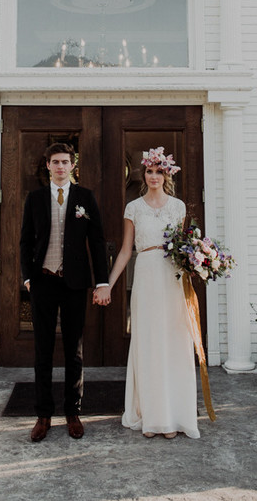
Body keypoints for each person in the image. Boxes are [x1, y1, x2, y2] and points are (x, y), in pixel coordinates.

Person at [94, 146, 199, 439]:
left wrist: (198, 264)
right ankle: (151, 416)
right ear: (144, 175)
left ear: (166, 175)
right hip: (146, 274)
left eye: (159, 172)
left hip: (172, 277)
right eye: (150, 171)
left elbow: (184, 246)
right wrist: (108, 283)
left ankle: (173, 416)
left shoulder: (178, 207)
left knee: (174, 341)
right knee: (149, 341)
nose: (154, 176)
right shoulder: (134, 208)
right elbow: (126, 251)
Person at [20, 142, 109, 442]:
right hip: (43, 282)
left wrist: (102, 281)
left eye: (65, 162)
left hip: (74, 283)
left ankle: (73, 412)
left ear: (73, 165)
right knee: (43, 351)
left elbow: (97, 241)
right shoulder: (34, 199)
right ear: (48, 165)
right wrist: (27, 278)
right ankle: (43, 415)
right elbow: (25, 241)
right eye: (55, 162)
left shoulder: (85, 197)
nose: (60, 166)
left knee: (74, 350)